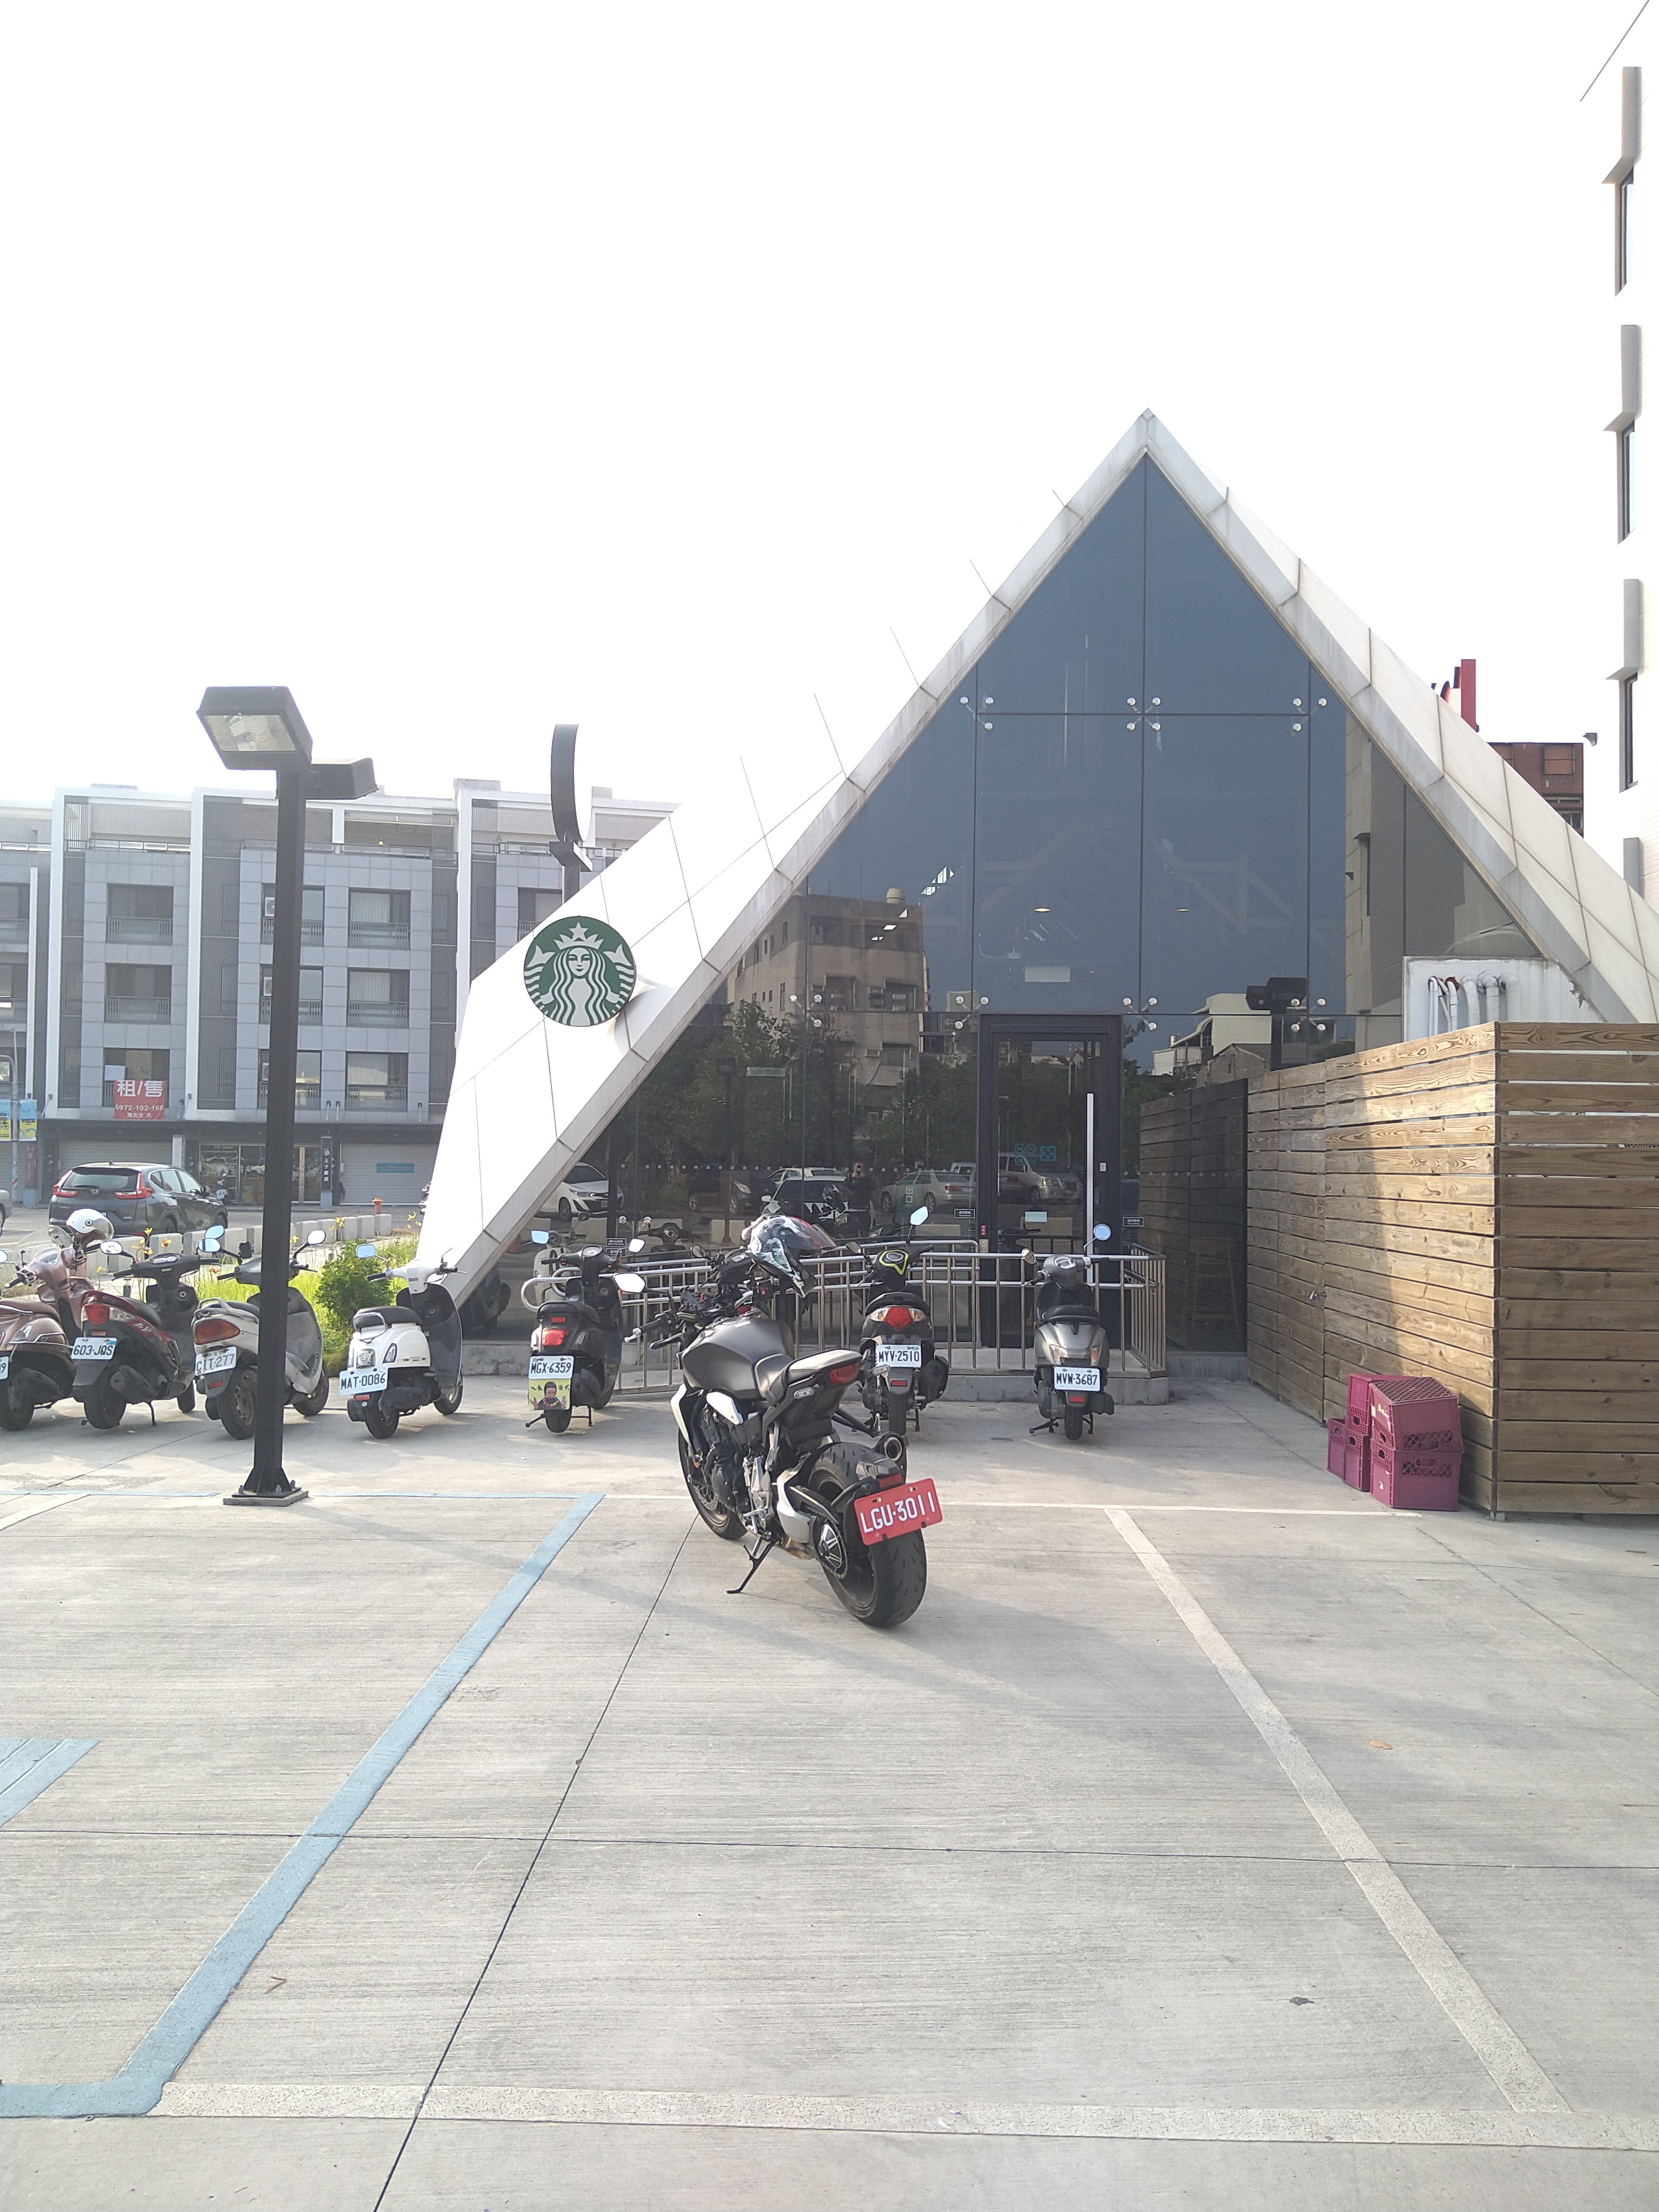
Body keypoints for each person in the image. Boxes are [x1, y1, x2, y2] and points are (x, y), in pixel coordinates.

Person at [846, 1158, 873, 1243]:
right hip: (853, 1210)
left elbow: (874, 1187)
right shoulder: (851, 1179)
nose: (859, 1170)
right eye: (857, 1168)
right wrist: (852, 1178)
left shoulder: (867, 1180)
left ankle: (865, 1248)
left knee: (865, 1234)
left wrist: (866, 1178)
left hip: (864, 1210)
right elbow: (845, 1189)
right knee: (852, 1235)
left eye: (861, 1168)